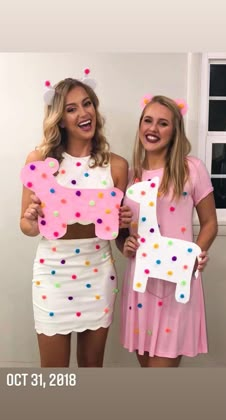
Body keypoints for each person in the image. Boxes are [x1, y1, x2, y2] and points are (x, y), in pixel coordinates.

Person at [20, 77, 131, 368]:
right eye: (72, 109)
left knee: (91, 370)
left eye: (87, 104)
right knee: (53, 373)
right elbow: (27, 227)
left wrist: (125, 225)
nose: (84, 113)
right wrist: (31, 217)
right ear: (60, 119)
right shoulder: (40, 161)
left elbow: (119, 233)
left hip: (97, 272)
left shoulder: (117, 165)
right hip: (52, 274)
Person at [116, 95, 218, 368]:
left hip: (177, 284)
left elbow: (209, 223)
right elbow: (121, 232)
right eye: (148, 121)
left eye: (163, 123)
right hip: (141, 285)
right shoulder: (130, 176)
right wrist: (124, 243)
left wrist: (198, 252)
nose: (153, 129)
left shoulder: (191, 169)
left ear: (174, 132)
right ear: (140, 126)